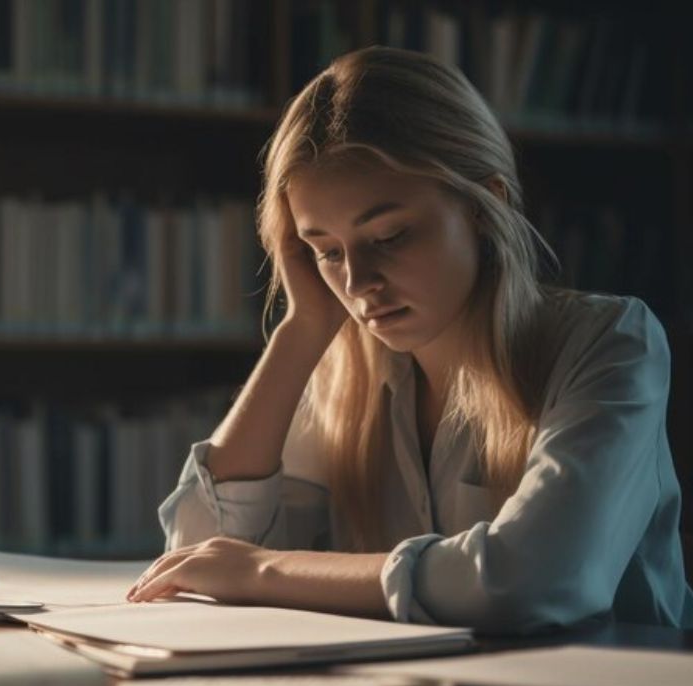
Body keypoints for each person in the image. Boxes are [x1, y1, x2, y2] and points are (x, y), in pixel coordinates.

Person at [126, 45, 692, 634]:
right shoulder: (345, 377)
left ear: (484, 206)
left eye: (389, 236)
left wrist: (266, 571)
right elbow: (195, 557)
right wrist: (303, 327)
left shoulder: (609, 344)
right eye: (324, 250)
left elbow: (533, 579)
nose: (357, 282)